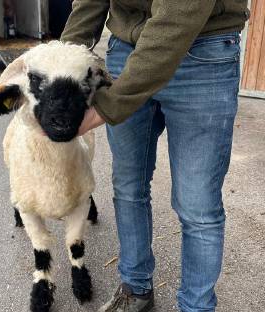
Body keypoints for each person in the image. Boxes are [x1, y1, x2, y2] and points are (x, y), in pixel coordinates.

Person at [60, 1, 249, 311]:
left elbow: (179, 12)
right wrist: (62, 66)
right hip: (127, 47)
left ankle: (196, 307)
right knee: (128, 186)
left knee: (197, 204)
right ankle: (136, 290)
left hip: (203, 48)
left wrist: (108, 106)